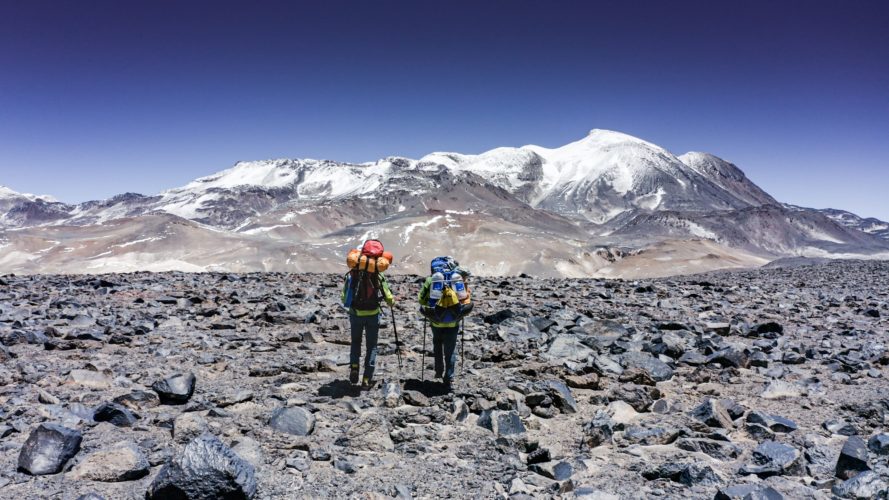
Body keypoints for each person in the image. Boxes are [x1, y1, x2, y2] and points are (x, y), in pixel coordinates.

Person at [418, 258, 470, 388]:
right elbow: (465, 300)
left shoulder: (431, 280)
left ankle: (438, 370)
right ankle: (449, 376)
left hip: (436, 320)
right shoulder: (456, 279)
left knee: (437, 344)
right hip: (453, 321)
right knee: (450, 349)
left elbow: (421, 300)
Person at [341, 265, 394, 387]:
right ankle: (366, 378)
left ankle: (354, 366)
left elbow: (344, 297)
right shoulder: (378, 274)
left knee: (355, 342)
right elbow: (388, 296)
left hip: (356, 314)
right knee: (372, 346)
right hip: (373, 315)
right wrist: (392, 302)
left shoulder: (352, 274)